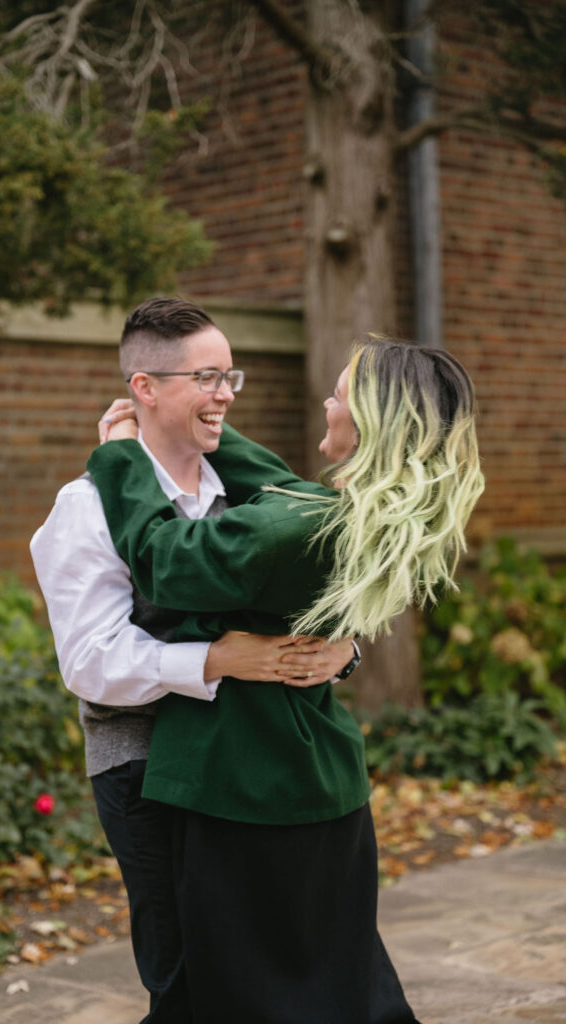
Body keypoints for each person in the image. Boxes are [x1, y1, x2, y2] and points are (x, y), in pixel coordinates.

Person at [91, 336, 485, 1024]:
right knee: (336, 981)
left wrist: (121, 451)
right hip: (322, 778)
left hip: (246, 785)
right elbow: (273, 482)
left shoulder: (295, 527)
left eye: (337, 396)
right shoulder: (374, 520)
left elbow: (162, 558)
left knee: (245, 993)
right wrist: (191, 415)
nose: (325, 405)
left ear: (368, 421)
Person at [30, 297, 356, 1023]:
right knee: (181, 977)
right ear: (144, 387)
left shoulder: (247, 495)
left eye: (230, 375)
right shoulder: (85, 509)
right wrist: (216, 659)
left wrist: (344, 649)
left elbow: (317, 603)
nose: (226, 394)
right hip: (143, 764)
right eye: (206, 378)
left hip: (246, 766)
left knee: (246, 976)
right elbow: (89, 662)